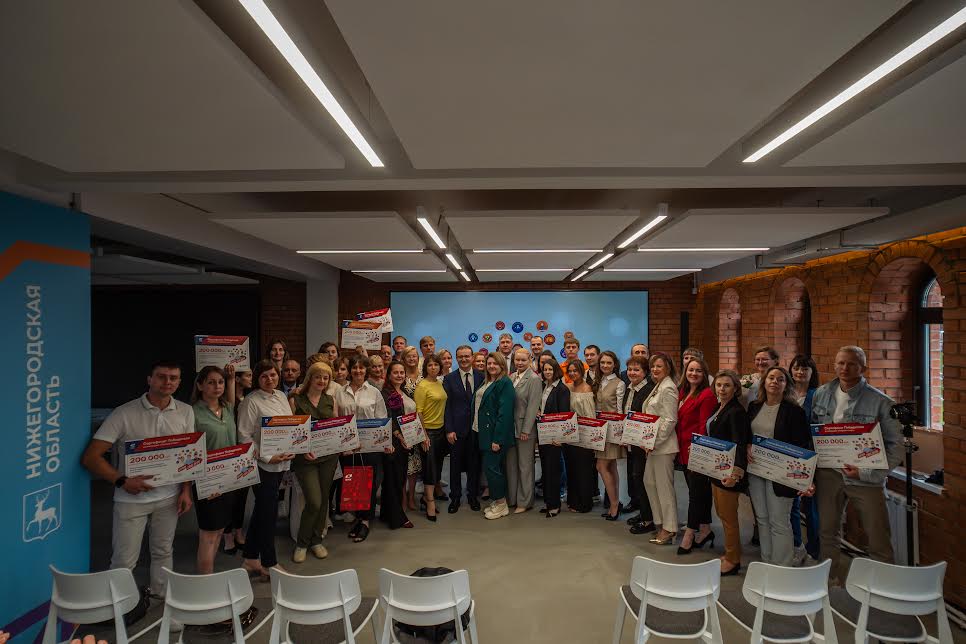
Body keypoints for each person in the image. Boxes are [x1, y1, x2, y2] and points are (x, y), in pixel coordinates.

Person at [81, 361, 194, 602]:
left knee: (163, 551)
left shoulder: (186, 411)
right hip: (131, 499)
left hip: (169, 497)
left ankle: (160, 595)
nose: (168, 382)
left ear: (179, 382)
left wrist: (186, 491)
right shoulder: (124, 413)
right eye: (161, 376)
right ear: (149, 379)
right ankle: (118, 605)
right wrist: (121, 481)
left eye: (173, 377)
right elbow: (91, 457)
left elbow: (187, 454)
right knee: (123, 560)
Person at [811, 346, 902, 583]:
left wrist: (868, 472)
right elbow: (814, 433)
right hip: (829, 474)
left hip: (865, 477)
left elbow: (897, 446)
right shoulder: (821, 393)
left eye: (852, 364)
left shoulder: (881, 402)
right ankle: (828, 579)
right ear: (834, 365)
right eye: (841, 363)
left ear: (863, 368)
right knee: (827, 530)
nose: (845, 368)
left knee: (878, 535)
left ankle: (884, 586)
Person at [746, 366, 815, 566]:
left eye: (780, 379)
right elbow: (747, 435)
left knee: (779, 521)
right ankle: (767, 562)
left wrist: (805, 478)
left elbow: (803, 445)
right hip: (757, 469)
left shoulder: (794, 411)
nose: (775, 382)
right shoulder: (754, 407)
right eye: (771, 378)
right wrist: (748, 445)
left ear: (786, 385)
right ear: (764, 382)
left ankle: (782, 566)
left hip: (782, 473)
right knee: (762, 518)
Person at [235, 359, 294, 579]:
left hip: (281, 463)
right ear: (257, 379)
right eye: (264, 376)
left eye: (273, 374)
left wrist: (293, 447)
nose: (270, 379)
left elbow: (290, 426)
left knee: (262, 511)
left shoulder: (281, 396)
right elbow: (244, 437)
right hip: (263, 466)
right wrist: (267, 457)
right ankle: (269, 563)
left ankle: (250, 558)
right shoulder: (250, 402)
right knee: (268, 515)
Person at [336, 354, 390, 543]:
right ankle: (358, 518)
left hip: (370, 447)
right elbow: (337, 419)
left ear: (366, 370)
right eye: (354, 367)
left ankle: (365, 521)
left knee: (368, 483)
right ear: (350, 370)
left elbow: (382, 419)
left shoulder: (374, 392)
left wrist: (384, 443)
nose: (358, 371)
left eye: (361, 367)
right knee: (353, 483)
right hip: (348, 446)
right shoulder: (340, 392)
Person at [289, 361, 340, 563]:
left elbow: (336, 427)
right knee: (314, 501)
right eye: (318, 376)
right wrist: (303, 449)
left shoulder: (331, 400)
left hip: (328, 458)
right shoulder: (295, 400)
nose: (322, 381)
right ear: (310, 377)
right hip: (305, 459)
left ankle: (316, 541)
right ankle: (302, 543)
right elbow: (291, 433)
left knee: (324, 499)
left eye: (326, 378)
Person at [190, 365, 238, 574]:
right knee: (208, 534)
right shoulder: (192, 413)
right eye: (211, 382)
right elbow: (190, 453)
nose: (217, 386)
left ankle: (208, 579)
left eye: (220, 382)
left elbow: (231, 394)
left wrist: (231, 379)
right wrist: (206, 483)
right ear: (200, 385)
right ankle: (205, 583)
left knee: (219, 530)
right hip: (207, 481)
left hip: (229, 478)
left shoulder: (227, 408)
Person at [707, 370, 752, 576]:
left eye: (727, 385)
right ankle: (729, 553)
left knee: (729, 517)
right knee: (722, 514)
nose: (722, 389)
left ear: (736, 388)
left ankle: (733, 560)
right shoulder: (719, 406)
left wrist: (736, 474)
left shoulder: (736, 412)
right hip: (717, 469)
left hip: (729, 472)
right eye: (719, 385)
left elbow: (740, 444)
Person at [675, 357, 717, 555]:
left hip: (696, 451)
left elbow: (704, 425)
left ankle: (690, 533)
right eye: (691, 370)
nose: (694, 374)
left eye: (698, 371)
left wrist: (698, 448)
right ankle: (706, 529)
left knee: (695, 494)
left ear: (704, 374)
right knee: (700, 491)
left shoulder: (707, 395)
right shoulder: (683, 391)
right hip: (683, 449)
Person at [641, 353, 680, 545]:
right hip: (653, 446)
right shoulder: (659, 385)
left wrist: (654, 442)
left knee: (664, 488)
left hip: (663, 446)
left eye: (659, 366)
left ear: (668, 368)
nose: (655, 369)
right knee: (649, 482)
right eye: (653, 366)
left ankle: (670, 528)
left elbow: (670, 420)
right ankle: (660, 522)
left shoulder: (669, 387)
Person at [474, 352, 516, 520]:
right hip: (484, 433)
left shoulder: (505, 382)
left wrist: (497, 439)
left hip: (495, 435)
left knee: (492, 469)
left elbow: (505, 414)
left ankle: (501, 504)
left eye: (495, 364)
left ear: (502, 365)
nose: (491, 366)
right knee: (490, 468)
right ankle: (497, 501)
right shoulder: (488, 380)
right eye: (489, 363)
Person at [444, 345, 485, 513]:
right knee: (454, 466)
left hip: (476, 429)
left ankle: (472, 496)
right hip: (456, 430)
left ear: (472, 357)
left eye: (467, 356)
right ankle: (455, 497)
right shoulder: (449, 378)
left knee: (474, 465)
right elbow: (447, 406)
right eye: (460, 356)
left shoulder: (482, 376)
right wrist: (449, 429)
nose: (464, 359)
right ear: (456, 358)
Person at [789, 354, 821, 563]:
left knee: (811, 506)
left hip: (810, 455)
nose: (800, 372)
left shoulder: (817, 395)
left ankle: (814, 549)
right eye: (796, 368)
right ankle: (796, 545)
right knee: (792, 504)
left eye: (805, 369)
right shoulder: (786, 392)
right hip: (788, 454)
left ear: (812, 372)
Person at [414, 354, 449, 522]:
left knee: (438, 466)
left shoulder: (439, 383)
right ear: (425, 368)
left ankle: (425, 497)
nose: (433, 367)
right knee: (429, 468)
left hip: (441, 430)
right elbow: (418, 411)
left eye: (436, 364)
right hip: (428, 432)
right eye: (430, 365)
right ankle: (430, 502)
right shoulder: (422, 386)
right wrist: (423, 435)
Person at [381, 361, 415, 529]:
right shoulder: (386, 393)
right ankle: (397, 518)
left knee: (399, 478)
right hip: (393, 442)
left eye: (402, 372)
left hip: (406, 440)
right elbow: (389, 418)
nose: (399, 375)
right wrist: (400, 437)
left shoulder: (405, 391)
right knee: (394, 480)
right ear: (389, 375)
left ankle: (386, 514)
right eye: (396, 372)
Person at [507, 347, 541, 513]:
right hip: (510, 428)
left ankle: (525, 501)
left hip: (525, 430)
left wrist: (526, 430)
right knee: (511, 465)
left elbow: (533, 407)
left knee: (525, 466)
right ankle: (513, 498)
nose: (519, 363)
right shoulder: (512, 377)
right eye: (517, 360)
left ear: (530, 360)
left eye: (523, 360)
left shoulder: (534, 379)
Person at [624, 356, 656, 531]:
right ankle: (644, 513)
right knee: (636, 478)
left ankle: (649, 520)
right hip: (631, 442)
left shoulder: (649, 390)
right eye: (630, 369)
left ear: (645, 372)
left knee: (643, 479)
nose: (632, 373)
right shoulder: (630, 388)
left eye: (637, 370)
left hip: (643, 444)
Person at [594, 351, 625, 520]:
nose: (605, 366)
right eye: (602, 363)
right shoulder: (599, 382)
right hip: (600, 430)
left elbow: (620, 411)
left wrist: (620, 434)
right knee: (611, 467)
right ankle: (615, 503)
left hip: (612, 430)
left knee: (601, 466)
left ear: (615, 365)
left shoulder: (619, 383)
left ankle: (614, 505)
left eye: (609, 363)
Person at [538, 358, 571, 518]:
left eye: (550, 369)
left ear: (556, 370)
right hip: (543, 433)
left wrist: (560, 437)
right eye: (545, 369)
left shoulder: (562, 389)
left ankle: (555, 505)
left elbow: (563, 414)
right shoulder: (544, 386)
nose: (547, 372)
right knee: (545, 469)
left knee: (553, 471)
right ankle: (548, 502)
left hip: (554, 436)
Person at [565, 360, 596, 513]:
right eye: (570, 371)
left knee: (583, 470)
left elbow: (590, 415)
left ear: (582, 372)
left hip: (584, 435)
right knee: (572, 469)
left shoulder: (587, 388)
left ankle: (584, 503)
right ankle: (573, 500)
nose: (572, 373)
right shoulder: (568, 387)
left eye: (575, 371)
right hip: (570, 434)